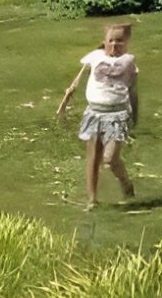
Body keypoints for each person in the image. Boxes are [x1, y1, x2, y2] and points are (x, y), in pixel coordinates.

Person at [55, 20, 140, 211]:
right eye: (110, 40)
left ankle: (126, 184)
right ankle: (92, 200)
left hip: (117, 114)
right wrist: (66, 101)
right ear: (104, 41)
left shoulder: (129, 63)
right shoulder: (95, 57)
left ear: (126, 42)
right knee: (93, 157)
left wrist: (135, 115)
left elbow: (133, 91)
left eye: (119, 41)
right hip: (94, 113)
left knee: (110, 158)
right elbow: (77, 80)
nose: (114, 45)